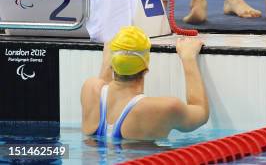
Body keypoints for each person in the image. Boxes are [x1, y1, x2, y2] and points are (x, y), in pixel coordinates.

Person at [81, 26, 209, 139]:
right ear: (146, 68)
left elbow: (105, 81)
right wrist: (188, 58)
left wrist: (110, 59)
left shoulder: (90, 89)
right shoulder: (164, 108)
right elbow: (201, 112)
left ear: (112, 64)